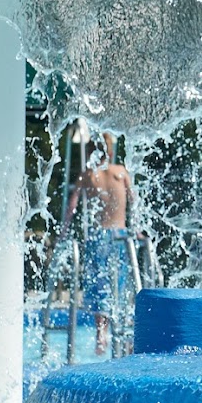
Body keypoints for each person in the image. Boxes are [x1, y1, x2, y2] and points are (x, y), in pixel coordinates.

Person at [64, 133, 135, 357]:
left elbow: (72, 205)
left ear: (91, 152)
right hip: (120, 235)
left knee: (99, 284)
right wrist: (138, 230)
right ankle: (124, 336)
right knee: (120, 284)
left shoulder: (88, 175)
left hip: (98, 236)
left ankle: (101, 334)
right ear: (111, 151)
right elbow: (133, 201)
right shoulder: (120, 172)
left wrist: (64, 231)